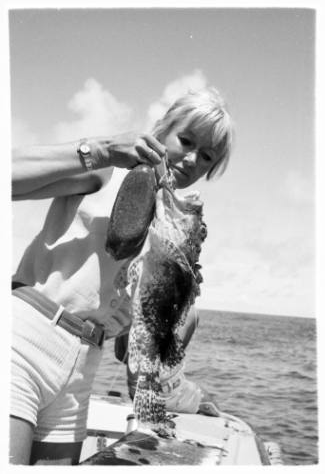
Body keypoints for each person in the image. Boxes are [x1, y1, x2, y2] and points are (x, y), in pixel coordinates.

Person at [11, 87, 233, 465]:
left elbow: (139, 334)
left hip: (82, 369)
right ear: (162, 130)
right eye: (186, 140)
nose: (193, 158)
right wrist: (102, 149)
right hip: (25, 344)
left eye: (207, 156)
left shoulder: (172, 225)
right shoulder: (110, 171)